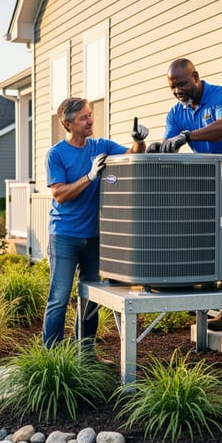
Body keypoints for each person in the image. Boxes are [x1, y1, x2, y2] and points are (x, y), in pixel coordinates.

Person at [151, 58, 222, 338]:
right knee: (221, 246)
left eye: (181, 84)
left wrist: (186, 136)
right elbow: (171, 145)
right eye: (172, 87)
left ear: (195, 76)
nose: (178, 91)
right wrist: (160, 147)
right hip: (211, 181)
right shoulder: (176, 113)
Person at [43, 97, 148, 348]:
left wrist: (139, 140)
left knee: (91, 298)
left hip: (94, 237)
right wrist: (89, 176)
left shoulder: (101, 146)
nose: (90, 120)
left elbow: (133, 155)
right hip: (65, 236)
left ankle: (85, 355)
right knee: (59, 298)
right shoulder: (56, 154)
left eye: (90, 115)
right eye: (84, 117)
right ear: (68, 124)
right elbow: (60, 194)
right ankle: (51, 356)